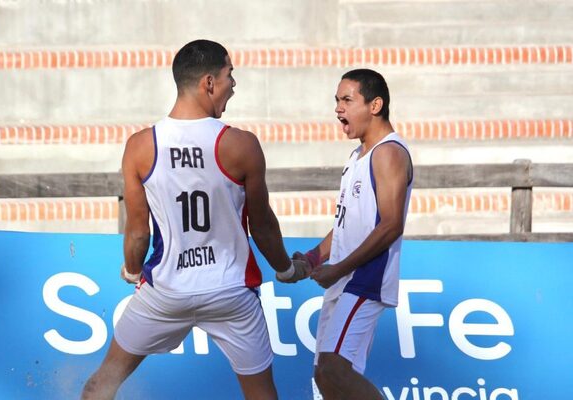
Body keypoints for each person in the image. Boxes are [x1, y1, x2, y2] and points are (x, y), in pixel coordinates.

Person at [81, 39, 310, 400]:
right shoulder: (241, 144)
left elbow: (138, 230)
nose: (233, 84)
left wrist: (130, 269)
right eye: (229, 75)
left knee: (100, 386)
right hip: (229, 291)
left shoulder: (140, 145)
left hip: (167, 291)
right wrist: (285, 270)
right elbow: (262, 226)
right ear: (209, 83)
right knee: (263, 396)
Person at [294, 69, 413, 399]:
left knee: (332, 370)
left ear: (375, 105)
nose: (338, 109)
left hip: (364, 280)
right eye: (336, 100)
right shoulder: (357, 156)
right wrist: (314, 257)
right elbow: (346, 224)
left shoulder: (388, 152)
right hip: (344, 280)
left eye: (347, 100)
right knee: (326, 380)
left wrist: (340, 268)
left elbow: (391, 225)